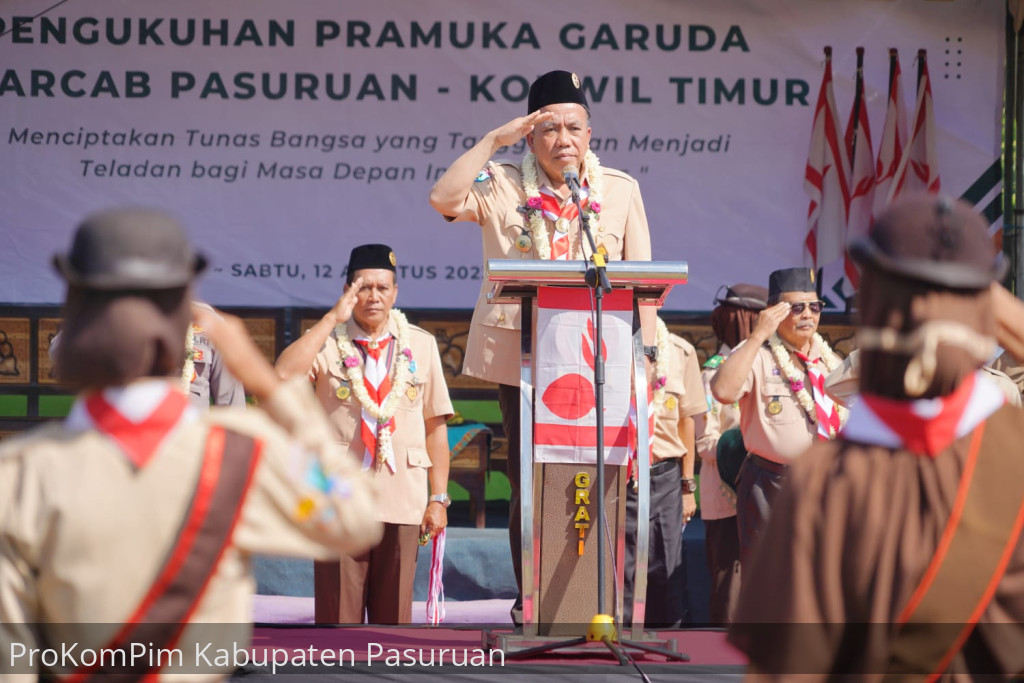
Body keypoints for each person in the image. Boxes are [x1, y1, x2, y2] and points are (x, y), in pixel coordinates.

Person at [0, 208, 381, 681]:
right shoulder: (245, 457)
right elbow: (355, 518)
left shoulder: (16, 476)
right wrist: (275, 387)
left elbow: (10, 659)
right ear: (184, 307)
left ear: (77, 313)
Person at [729, 193, 1024, 678]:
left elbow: (784, 669)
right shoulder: (1013, 458)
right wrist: (972, 286)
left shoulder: (826, 479)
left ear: (873, 308)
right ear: (983, 310)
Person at [428, 69, 655, 625]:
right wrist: (491, 141)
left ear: (590, 133)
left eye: (573, 128)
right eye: (548, 129)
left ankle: (594, 601)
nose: (564, 141)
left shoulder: (619, 189)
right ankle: (531, 601)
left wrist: (644, 366)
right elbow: (443, 197)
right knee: (534, 476)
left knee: (596, 473)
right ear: (530, 137)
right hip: (523, 358)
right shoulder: (502, 181)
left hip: (602, 358)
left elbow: (645, 287)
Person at [275, 243, 453, 625]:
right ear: (347, 291)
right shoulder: (325, 341)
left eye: (382, 288)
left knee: (394, 627)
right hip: (340, 496)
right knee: (339, 622)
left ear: (395, 292)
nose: (373, 296)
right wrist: (329, 320)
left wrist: (438, 499)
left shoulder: (419, 344)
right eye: (363, 287)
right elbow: (281, 376)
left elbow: (435, 428)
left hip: (402, 496)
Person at [710, 268, 845, 562]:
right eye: (796, 308)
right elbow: (723, 391)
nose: (808, 314)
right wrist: (759, 334)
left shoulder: (830, 361)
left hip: (825, 485)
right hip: (771, 484)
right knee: (771, 581)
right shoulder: (756, 352)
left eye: (815, 307)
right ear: (774, 312)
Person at [623, 316, 707, 628]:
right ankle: (619, 634)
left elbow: (687, 420)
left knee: (666, 562)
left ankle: (667, 636)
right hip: (620, 474)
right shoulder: (606, 342)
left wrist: (688, 487)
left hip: (665, 477)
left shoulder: (679, 351)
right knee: (621, 563)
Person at [694, 283, 768, 624]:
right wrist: (746, 448)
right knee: (731, 588)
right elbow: (706, 440)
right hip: (727, 496)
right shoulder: (715, 370)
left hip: (769, 494)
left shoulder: (772, 368)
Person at [49, 302, 247, 410]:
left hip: (187, 449)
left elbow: (232, 406)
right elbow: (60, 354)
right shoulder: (109, 313)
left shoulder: (206, 321)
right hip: (117, 443)